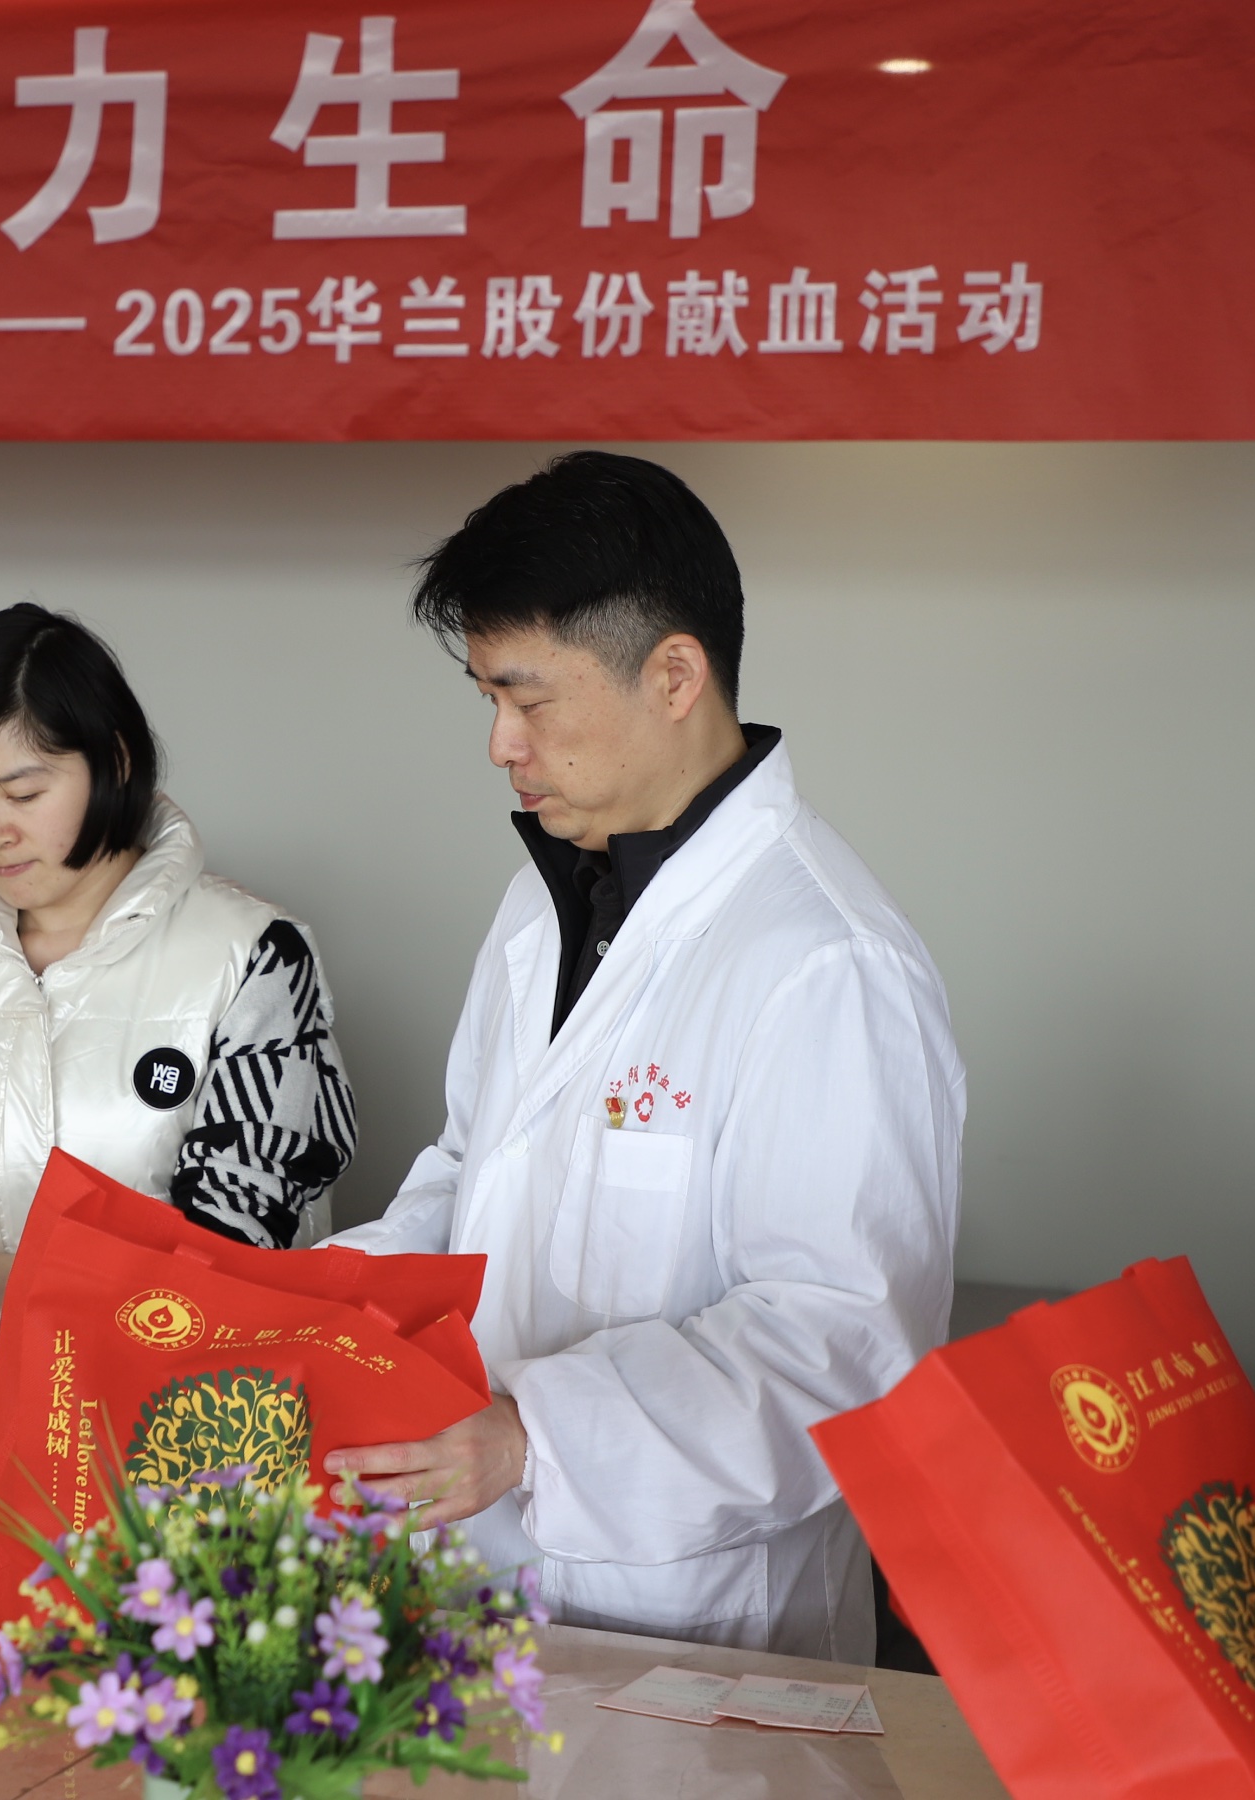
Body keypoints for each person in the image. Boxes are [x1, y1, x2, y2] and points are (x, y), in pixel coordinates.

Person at [321, 453, 967, 1661]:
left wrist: (539, 1436)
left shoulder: (825, 960)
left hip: (701, 1625)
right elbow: (467, 1177)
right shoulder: (547, 900)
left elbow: (841, 1347)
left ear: (675, 674)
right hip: (478, 1581)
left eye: (529, 701)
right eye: (486, 700)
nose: (501, 744)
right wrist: (313, 1315)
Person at [0, 604, 357, 1545]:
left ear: (114, 760)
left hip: (169, 1503)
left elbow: (234, 1267)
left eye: (23, 792)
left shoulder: (251, 957)